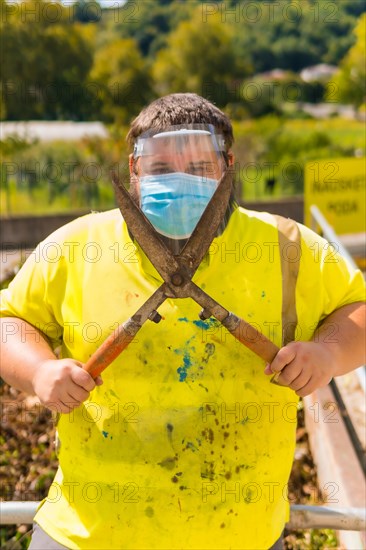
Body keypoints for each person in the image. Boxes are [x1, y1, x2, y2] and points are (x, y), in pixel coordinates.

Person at [1, 93, 365, 550]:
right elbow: (8, 320)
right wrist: (37, 371)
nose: (178, 181)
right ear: (134, 171)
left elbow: (358, 307)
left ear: (227, 165)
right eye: (158, 169)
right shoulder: (76, 246)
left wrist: (328, 352)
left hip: (240, 537)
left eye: (196, 169)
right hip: (85, 535)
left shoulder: (288, 246)